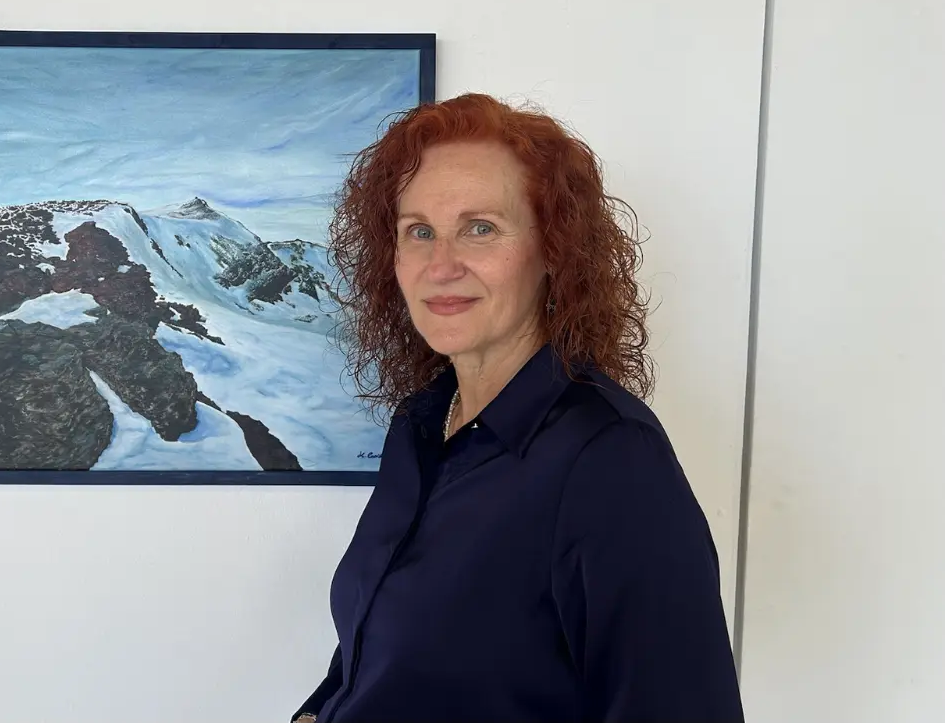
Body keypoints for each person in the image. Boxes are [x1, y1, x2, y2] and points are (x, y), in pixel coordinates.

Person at [291, 93, 744, 723]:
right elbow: (378, 652)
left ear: (553, 249)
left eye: (480, 228)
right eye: (419, 231)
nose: (441, 265)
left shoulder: (610, 458)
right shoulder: (421, 424)